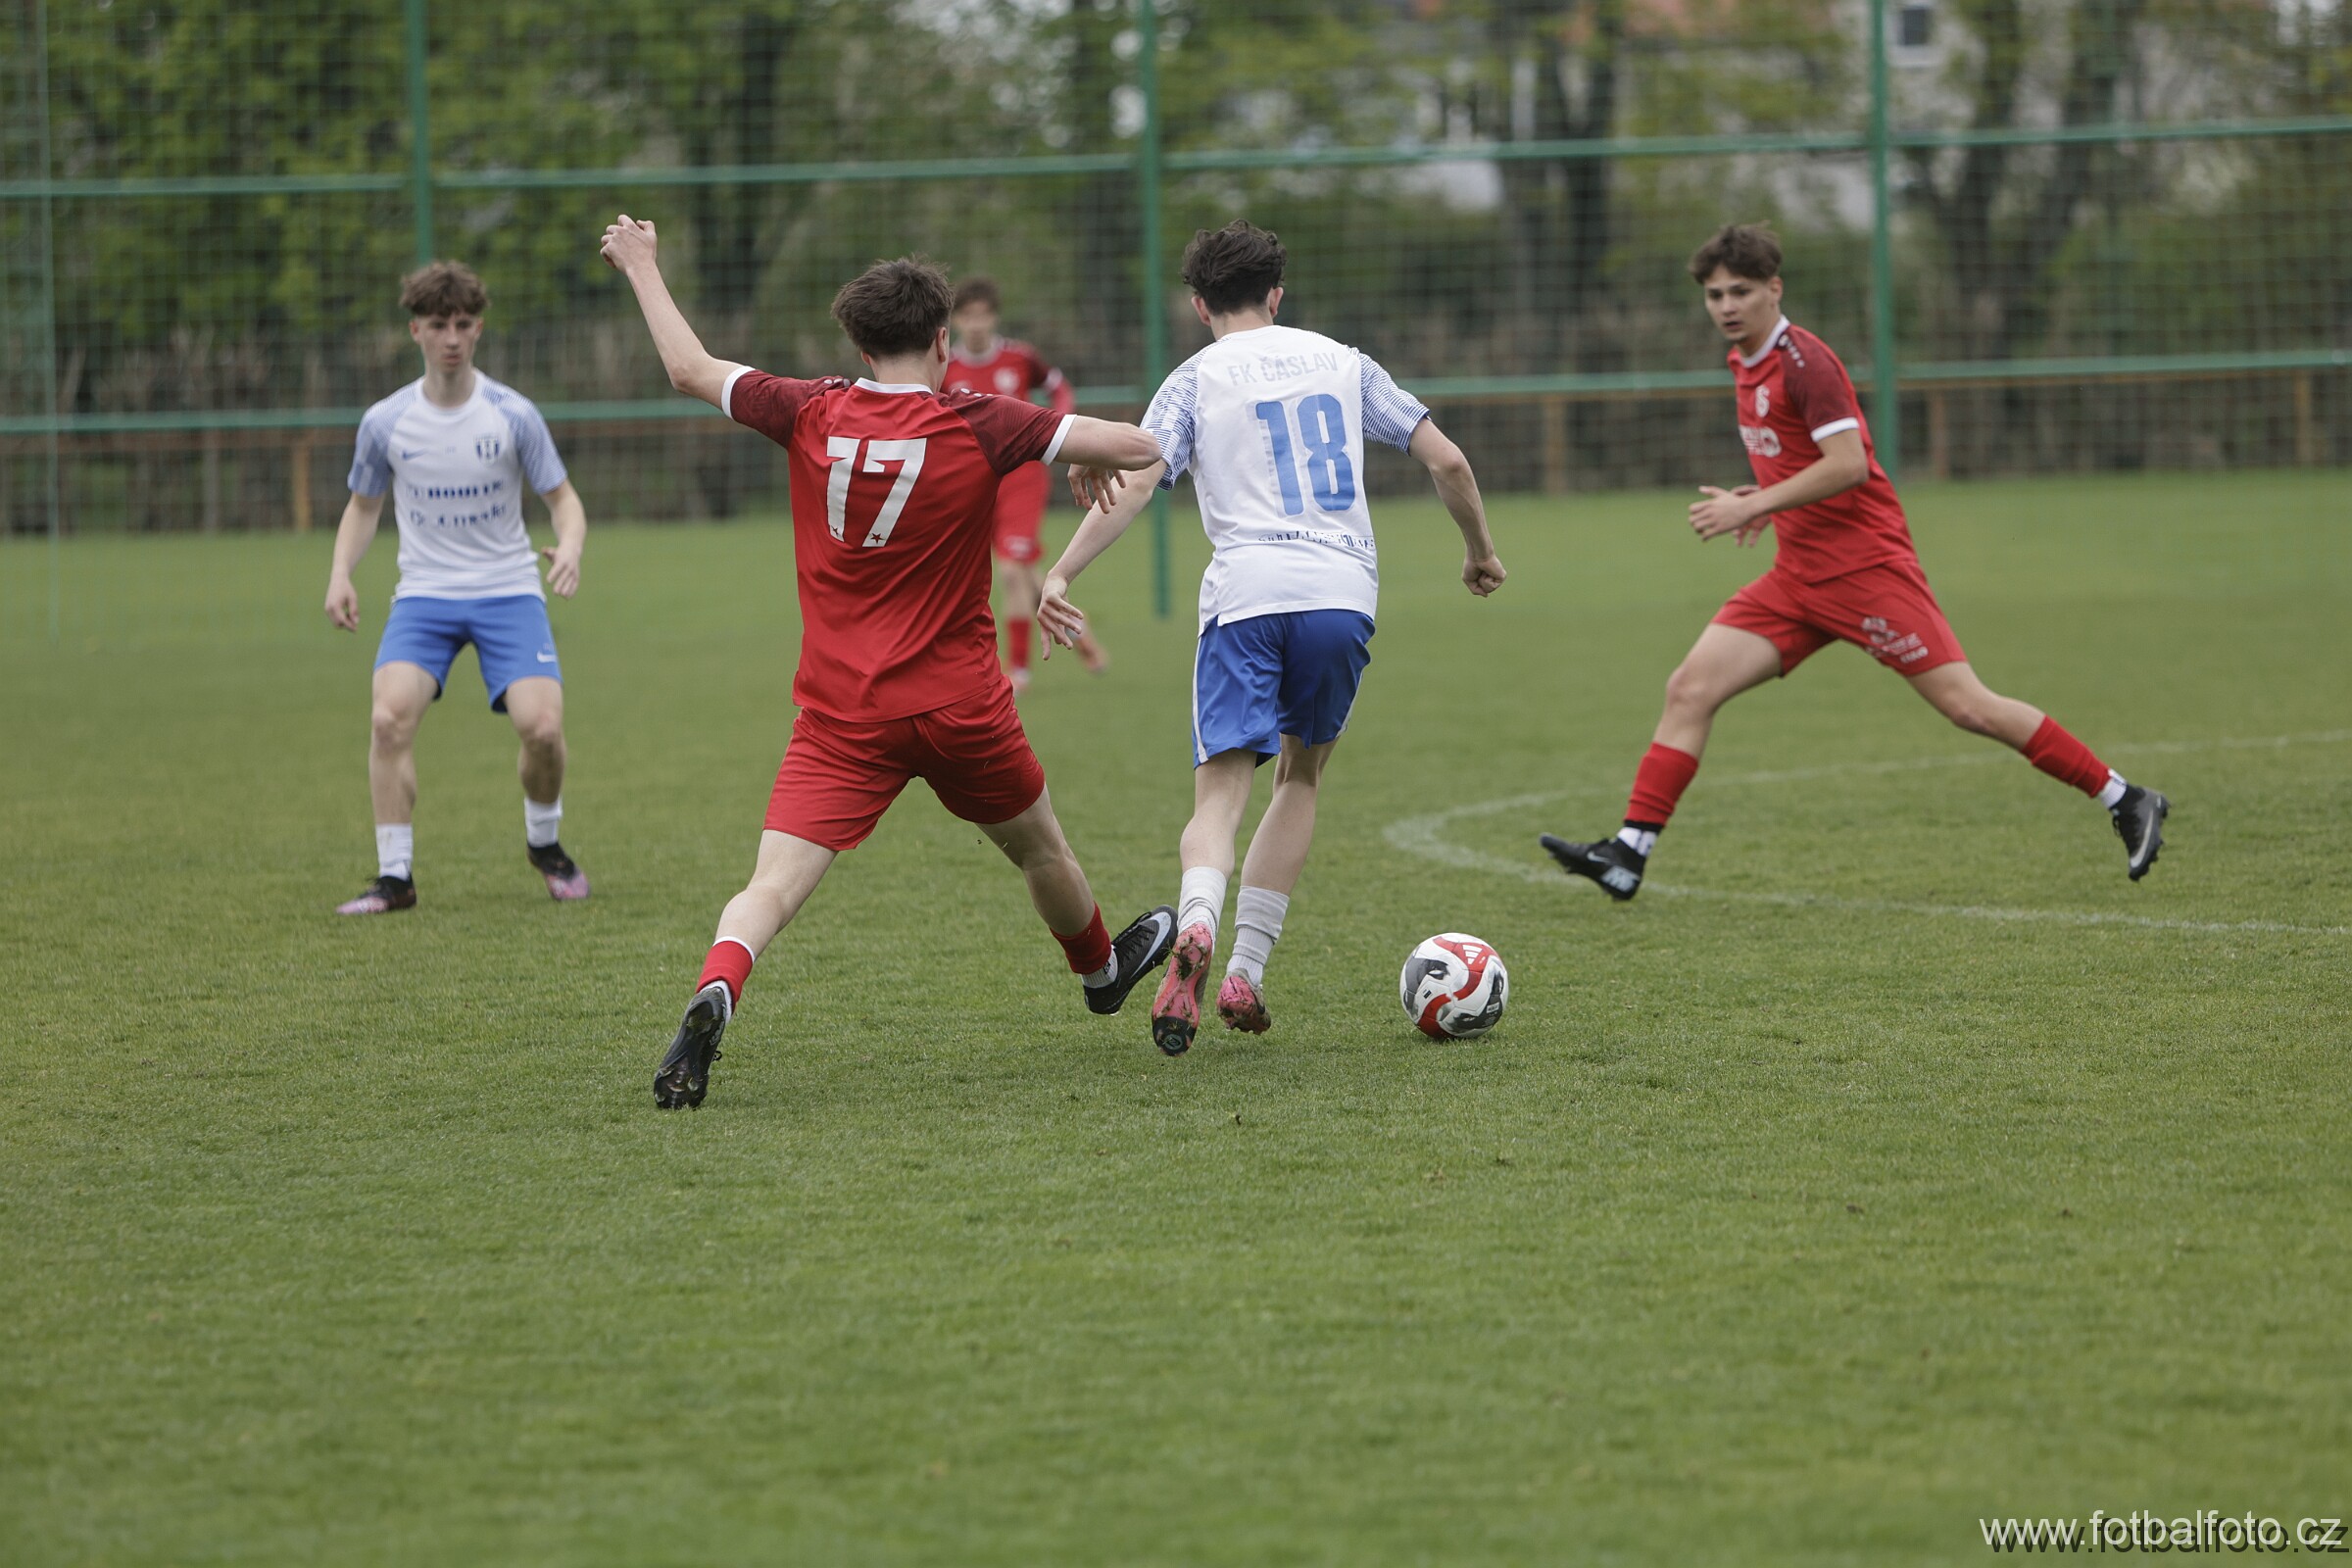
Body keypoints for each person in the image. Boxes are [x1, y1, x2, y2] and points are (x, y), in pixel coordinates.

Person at [600, 217, 1180, 1109]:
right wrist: (1078, 457)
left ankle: (719, 985)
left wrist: (642, 264)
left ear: (860, 345)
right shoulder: (982, 420)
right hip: (961, 707)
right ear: (943, 340)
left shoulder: (808, 408)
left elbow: (688, 368)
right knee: (1040, 849)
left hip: (842, 714)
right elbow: (1141, 447)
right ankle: (1101, 971)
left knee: (770, 887)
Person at [1540, 223, 2167, 900]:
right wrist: (1765, 498)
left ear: (1774, 289)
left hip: (1866, 573)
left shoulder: (1805, 363)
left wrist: (1756, 506)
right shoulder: (1744, 361)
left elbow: (1849, 466)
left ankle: (2126, 798)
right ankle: (1628, 853)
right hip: (1798, 578)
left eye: (1741, 292)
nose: (1726, 306)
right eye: (1715, 295)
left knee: (1968, 707)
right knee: (1690, 688)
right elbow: (1800, 457)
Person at [1038, 220, 1506, 1055]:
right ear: (1278, 295)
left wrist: (1063, 573)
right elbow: (1449, 462)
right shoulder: (1346, 363)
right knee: (1301, 775)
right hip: (1342, 596)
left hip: (1248, 596)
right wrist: (1480, 551)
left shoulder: (1194, 378)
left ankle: (1198, 921)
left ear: (1198, 305)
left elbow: (1136, 483)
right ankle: (1246, 969)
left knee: (1219, 797)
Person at [323, 261, 591, 914]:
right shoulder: (385, 421)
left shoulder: (512, 414)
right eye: (439, 324)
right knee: (387, 719)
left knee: (543, 728)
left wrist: (571, 547)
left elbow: (563, 499)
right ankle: (395, 878)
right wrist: (340, 573)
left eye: (464, 324)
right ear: (415, 330)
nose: (451, 337)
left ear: (478, 330)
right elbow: (363, 507)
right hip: (425, 596)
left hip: (508, 590)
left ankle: (545, 844)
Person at [942, 276, 1106, 689]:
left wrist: (1062, 426)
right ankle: (1080, 634)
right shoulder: (945, 367)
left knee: (1012, 570)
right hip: (973, 482)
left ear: (994, 317)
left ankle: (1018, 670)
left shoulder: (1019, 358)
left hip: (1021, 476)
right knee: (1025, 570)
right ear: (956, 321)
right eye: (968, 316)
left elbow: (1058, 387)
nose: (976, 324)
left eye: (983, 315)